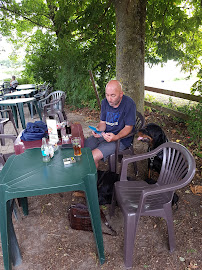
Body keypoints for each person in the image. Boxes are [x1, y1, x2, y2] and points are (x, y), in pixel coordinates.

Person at [85, 80, 136, 168]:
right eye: (107, 95)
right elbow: (102, 123)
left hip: (121, 139)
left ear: (121, 94)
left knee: (92, 157)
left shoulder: (129, 103)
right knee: (83, 148)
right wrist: (98, 130)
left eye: (113, 95)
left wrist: (116, 137)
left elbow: (128, 127)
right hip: (105, 135)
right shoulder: (105, 102)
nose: (109, 99)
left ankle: (92, 181)